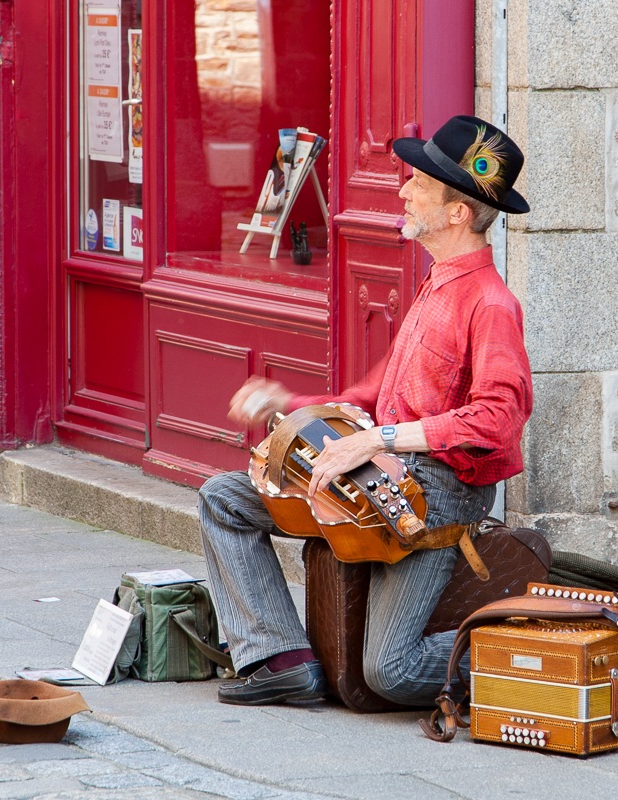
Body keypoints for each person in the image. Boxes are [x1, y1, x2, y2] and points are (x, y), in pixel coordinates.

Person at [199, 115, 534, 707]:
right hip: (382, 473)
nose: (403, 191)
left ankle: (546, 652)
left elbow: (498, 420)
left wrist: (380, 439)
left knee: (392, 672)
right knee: (225, 498)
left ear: (458, 212)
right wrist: (290, 405)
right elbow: (374, 395)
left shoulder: (491, 303)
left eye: (419, 185)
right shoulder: (437, 283)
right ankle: (281, 659)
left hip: (438, 494)